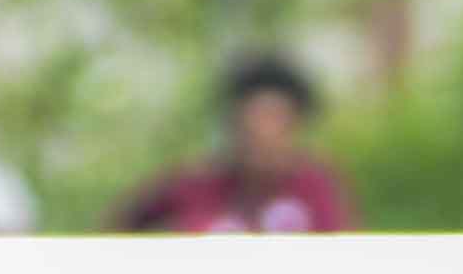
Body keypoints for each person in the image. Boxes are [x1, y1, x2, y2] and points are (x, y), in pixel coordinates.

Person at [118, 50, 352, 237]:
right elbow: (123, 225)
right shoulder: (196, 185)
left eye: (275, 123)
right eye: (253, 127)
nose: (263, 139)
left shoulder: (316, 188)